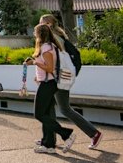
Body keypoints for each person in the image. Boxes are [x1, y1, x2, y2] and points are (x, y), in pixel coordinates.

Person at [39, 14, 102, 149]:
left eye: (41, 24)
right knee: (50, 108)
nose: (39, 27)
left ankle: (94, 133)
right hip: (58, 77)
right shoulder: (58, 37)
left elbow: (54, 60)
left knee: (64, 109)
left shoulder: (55, 39)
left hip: (58, 78)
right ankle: (48, 140)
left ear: (48, 25)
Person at [25, 23, 75, 154]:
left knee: (39, 114)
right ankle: (49, 145)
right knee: (46, 114)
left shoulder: (46, 47)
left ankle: (66, 134)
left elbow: (49, 67)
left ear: (40, 34)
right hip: (47, 82)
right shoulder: (48, 46)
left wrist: (34, 62)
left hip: (48, 84)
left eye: (35, 33)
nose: (34, 35)